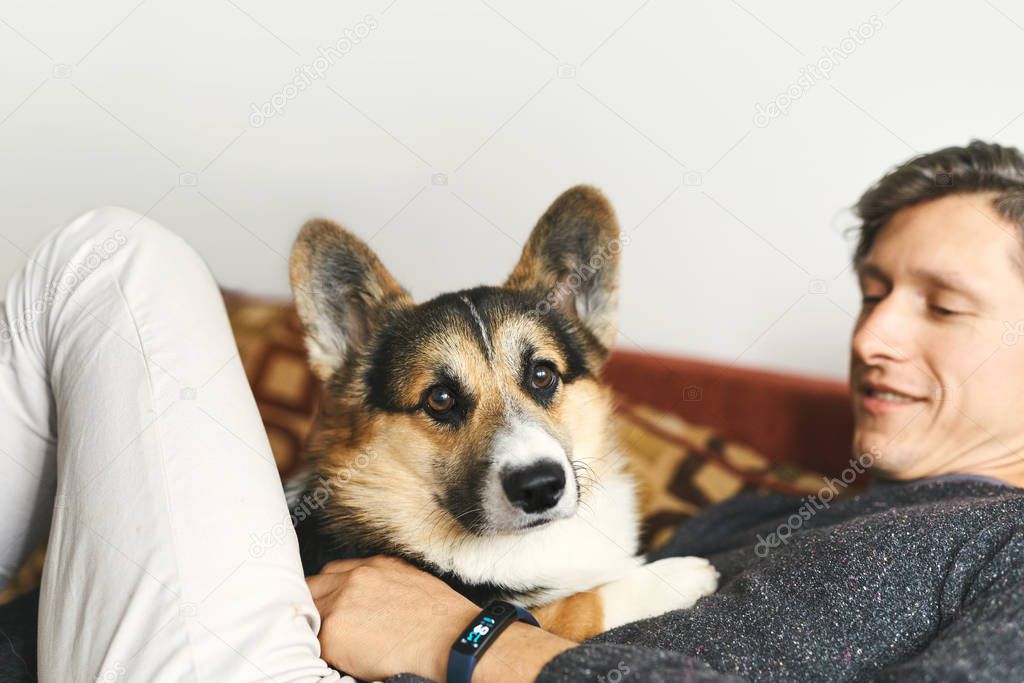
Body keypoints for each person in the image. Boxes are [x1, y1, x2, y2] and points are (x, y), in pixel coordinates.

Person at [2, 140, 1023, 682]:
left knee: (113, 261)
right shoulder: (778, 508)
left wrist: (468, 639)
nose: (872, 337)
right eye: (871, 293)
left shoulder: (1004, 547)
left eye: (939, 304)